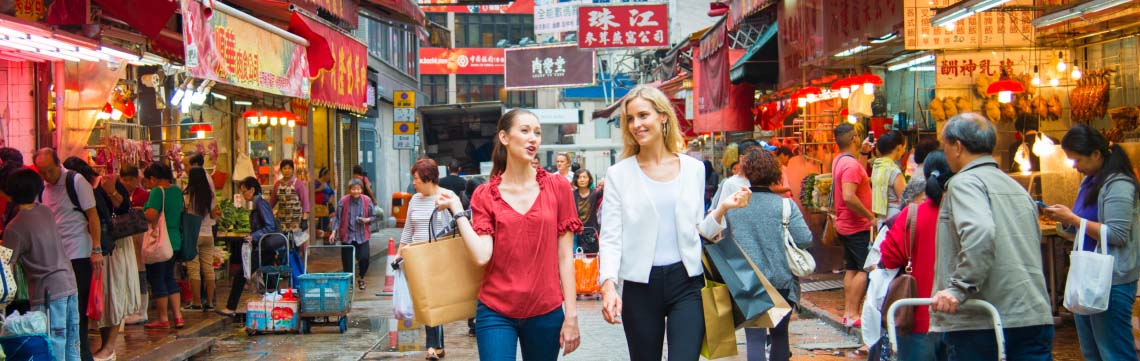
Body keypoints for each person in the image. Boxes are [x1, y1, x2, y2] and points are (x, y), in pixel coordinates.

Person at [598, 85, 749, 360]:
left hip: (687, 282)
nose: (636, 124)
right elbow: (610, 236)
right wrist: (608, 284)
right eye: (630, 119)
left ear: (663, 116)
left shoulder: (693, 169)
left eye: (643, 115)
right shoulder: (619, 174)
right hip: (640, 285)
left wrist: (723, 209)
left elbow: (700, 232)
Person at [440, 109, 582, 359]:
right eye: (525, 131)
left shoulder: (557, 186)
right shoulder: (485, 194)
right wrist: (459, 212)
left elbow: (565, 257)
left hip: (546, 310)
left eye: (537, 133)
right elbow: (482, 255)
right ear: (504, 137)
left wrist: (571, 315)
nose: (533, 139)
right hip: (496, 310)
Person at [929, 112, 1054, 360]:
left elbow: (980, 231)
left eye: (945, 146)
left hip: (983, 320)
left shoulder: (964, 183)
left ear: (958, 146)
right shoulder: (1015, 187)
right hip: (1032, 314)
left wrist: (958, 288)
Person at [697, 148, 807, 361]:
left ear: (746, 173)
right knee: (780, 335)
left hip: (747, 280)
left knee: (754, 339)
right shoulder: (785, 205)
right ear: (775, 173)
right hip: (781, 279)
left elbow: (718, 235)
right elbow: (804, 238)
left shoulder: (736, 205)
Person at [1041, 124, 1140, 360]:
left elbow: (1116, 234)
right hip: (1087, 277)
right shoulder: (1091, 181)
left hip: (1112, 279)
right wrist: (1064, 220)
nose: (1075, 167)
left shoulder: (1118, 184)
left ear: (1096, 154)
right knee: (1092, 352)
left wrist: (1073, 219)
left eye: (1077, 160)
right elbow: (1083, 226)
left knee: (1114, 351)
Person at [62, 158, 140, 361]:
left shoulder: (101, 184)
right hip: (90, 249)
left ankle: (109, 347)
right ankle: (96, 347)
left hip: (111, 248)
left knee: (112, 296)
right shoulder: (74, 189)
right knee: (98, 299)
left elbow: (123, 209)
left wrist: (111, 191)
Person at [876, 151, 953, 360]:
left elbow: (889, 258)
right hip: (965, 319)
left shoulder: (912, 215)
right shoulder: (967, 215)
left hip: (918, 316)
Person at [4, 168, 82, 361]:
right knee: (72, 343)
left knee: (53, 346)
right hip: (69, 283)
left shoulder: (14, 227)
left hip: (48, 292)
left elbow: (6, 266)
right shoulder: (45, 211)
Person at [34, 148, 102, 361]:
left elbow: (93, 216)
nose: (46, 176)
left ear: (58, 164)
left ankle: (82, 354)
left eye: (49, 171)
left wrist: (96, 249)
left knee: (78, 309)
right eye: (42, 172)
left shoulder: (76, 181)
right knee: (60, 310)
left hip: (79, 253)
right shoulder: (42, 188)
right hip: (55, 258)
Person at [396, 158, 454, 359]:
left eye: (416, 179)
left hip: (439, 259)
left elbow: (458, 227)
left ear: (428, 179)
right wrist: (398, 253)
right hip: (417, 259)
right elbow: (407, 231)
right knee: (426, 303)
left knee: (431, 301)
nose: (414, 183)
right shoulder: (414, 199)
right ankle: (438, 346)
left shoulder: (448, 196)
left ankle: (431, 347)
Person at [831, 124, 875, 327]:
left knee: (851, 268)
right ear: (855, 138)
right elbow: (849, 196)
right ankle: (853, 313)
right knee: (865, 269)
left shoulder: (840, 161)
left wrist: (864, 154)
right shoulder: (850, 166)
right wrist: (870, 216)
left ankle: (849, 312)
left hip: (845, 224)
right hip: (856, 225)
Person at [216, 177, 279, 317]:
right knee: (270, 278)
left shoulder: (261, 204)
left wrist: (254, 236)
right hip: (264, 248)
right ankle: (276, 305)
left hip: (263, 248)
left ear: (252, 190)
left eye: (245, 191)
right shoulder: (258, 204)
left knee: (241, 274)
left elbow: (270, 226)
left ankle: (230, 307)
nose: (244, 195)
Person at [141, 162, 185, 330]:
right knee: (169, 277)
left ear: (153, 179)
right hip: (174, 240)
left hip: (160, 241)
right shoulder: (176, 190)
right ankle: (178, 317)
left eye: (147, 181)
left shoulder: (157, 192)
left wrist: (141, 212)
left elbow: (151, 215)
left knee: (157, 278)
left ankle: (163, 318)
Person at [182, 166, 219, 311]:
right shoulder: (210, 195)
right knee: (208, 269)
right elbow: (213, 215)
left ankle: (196, 303)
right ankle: (210, 303)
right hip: (208, 234)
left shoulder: (189, 194)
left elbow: (184, 212)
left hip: (193, 235)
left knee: (194, 269)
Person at [118, 165, 151, 326]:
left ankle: (141, 310)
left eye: (130, 180)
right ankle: (130, 309)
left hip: (140, 239)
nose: (127, 183)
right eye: (124, 180)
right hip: (125, 240)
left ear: (137, 179)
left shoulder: (143, 195)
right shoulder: (120, 194)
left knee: (141, 274)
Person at [333, 179, 374, 291]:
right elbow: (337, 217)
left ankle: (361, 278)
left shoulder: (367, 200)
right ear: (349, 190)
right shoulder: (343, 201)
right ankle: (350, 283)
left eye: (358, 189)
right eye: (353, 189)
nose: (356, 191)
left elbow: (373, 216)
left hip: (362, 235)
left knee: (364, 257)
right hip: (347, 235)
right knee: (347, 262)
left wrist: (366, 220)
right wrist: (333, 232)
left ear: (361, 189)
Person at [871, 130, 908, 223]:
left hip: (882, 217)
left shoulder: (877, 166)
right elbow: (904, 200)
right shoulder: (893, 170)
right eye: (904, 147)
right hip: (894, 217)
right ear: (899, 148)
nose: (904, 151)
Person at [270, 160, 309, 234]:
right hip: (282, 221)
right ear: (281, 170)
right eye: (284, 168)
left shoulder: (299, 184)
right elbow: (271, 203)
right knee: (283, 242)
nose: (287, 171)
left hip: (296, 222)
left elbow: (305, 203)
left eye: (289, 168)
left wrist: (305, 219)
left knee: (296, 244)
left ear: (293, 170)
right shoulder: (277, 184)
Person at [573, 169, 601, 253]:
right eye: (579, 177)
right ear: (576, 180)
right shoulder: (572, 194)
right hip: (576, 234)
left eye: (584, 177)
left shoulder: (595, 193)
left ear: (589, 179)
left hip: (591, 233)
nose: (582, 180)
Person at [314, 167, 336, 241]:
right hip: (320, 205)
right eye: (328, 174)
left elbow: (332, 192)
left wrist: (331, 197)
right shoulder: (316, 182)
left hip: (328, 204)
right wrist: (319, 189)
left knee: (333, 217)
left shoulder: (327, 183)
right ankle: (324, 234)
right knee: (325, 219)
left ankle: (328, 233)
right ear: (323, 174)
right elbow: (310, 191)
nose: (329, 176)